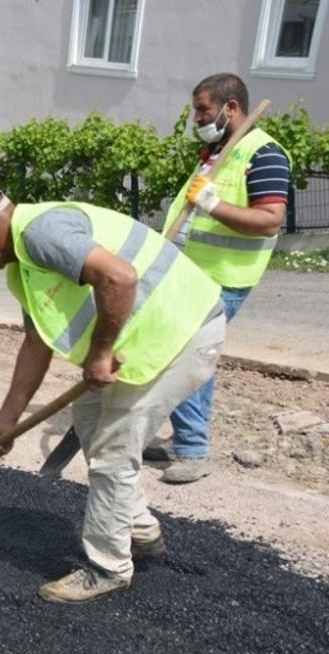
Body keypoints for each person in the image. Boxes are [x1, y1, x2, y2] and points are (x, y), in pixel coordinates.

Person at [0, 183, 225, 603]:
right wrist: (6, 422)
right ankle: (138, 526)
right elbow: (36, 344)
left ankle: (108, 567)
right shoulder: (22, 265)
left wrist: (101, 353)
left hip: (176, 334)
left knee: (112, 451)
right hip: (143, 339)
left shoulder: (42, 233)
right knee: (89, 420)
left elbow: (119, 277)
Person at [151, 73, 290, 484]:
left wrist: (213, 205)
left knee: (187, 355)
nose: (197, 118)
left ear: (231, 108)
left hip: (221, 278)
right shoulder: (217, 151)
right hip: (189, 272)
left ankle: (193, 450)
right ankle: (184, 439)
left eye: (203, 110)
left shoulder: (263, 153)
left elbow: (270, 220)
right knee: (186, 353)